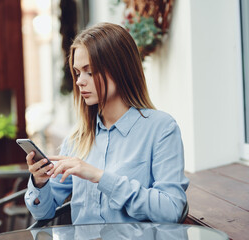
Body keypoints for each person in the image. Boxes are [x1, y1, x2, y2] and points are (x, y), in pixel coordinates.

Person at [24, 22, 189, 224]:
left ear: (120, 70)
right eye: (77, 72)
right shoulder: (77, 140)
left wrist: (100, 177)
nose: (79, 81)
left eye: (90, 71)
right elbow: (45, 212)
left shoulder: (161, 129)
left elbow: (171, 209)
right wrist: (39, 183)